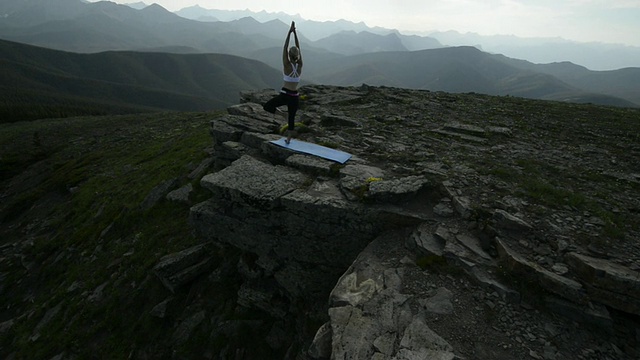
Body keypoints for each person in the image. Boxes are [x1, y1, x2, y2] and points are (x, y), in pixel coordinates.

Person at [263, 21, 303, 144]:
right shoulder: (300, 65)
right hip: (295, 96)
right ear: (297, 55)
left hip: (285, 94)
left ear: (289, 55)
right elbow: (298, 48)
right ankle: (289, 139)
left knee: (268, 106)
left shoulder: (287, 65)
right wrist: (295, 33)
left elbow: (285, 48)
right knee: (291, 118)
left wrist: (289, 32)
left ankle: (282, 115)